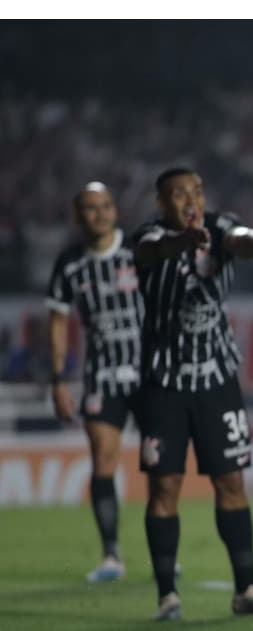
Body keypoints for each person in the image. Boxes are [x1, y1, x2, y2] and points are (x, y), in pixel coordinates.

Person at [133, 167, 253, 620]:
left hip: (217, 380)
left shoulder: (220, 227)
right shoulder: (147, 236)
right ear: (162, 204)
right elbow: (151, 250)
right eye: (179, 193)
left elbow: (241, 237)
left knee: (231, 481)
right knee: (165, 485)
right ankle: (167, 596)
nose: (190, 199)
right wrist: (181, 243)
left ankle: (247, 589)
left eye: (196, 190)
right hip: (164, 384)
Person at [45, 182, 143, 582]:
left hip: (149, 373)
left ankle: (162, 547)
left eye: (105, 206)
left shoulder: (139, 252)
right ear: (77, 214)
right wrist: (58, 379)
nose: (99, 214)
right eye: (90, 208)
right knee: (104, 458)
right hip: (101, 375)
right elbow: (57, 322)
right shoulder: (69, 264)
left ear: (115, 210)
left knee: (161, 465)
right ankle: (111, 555)